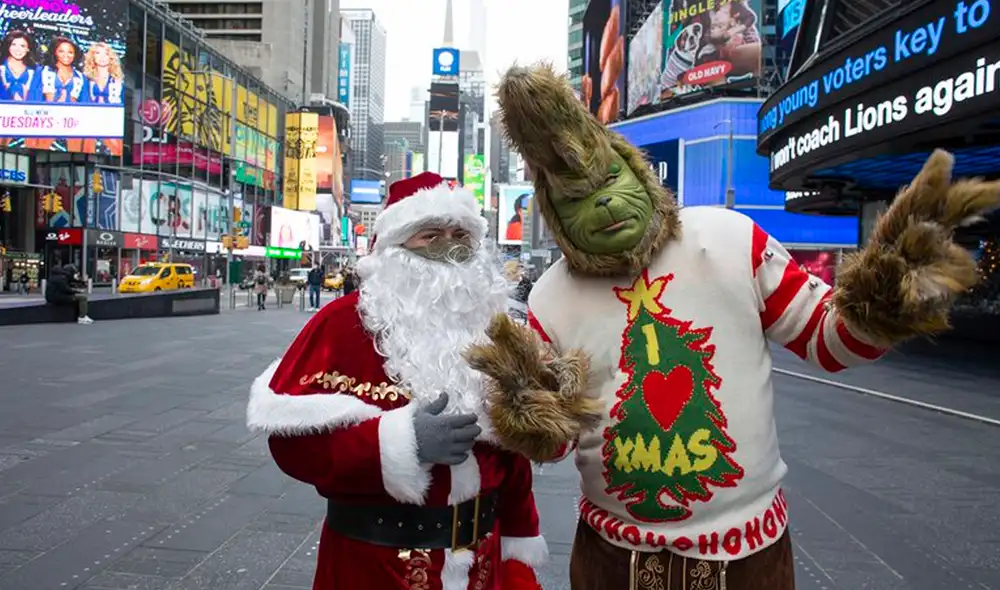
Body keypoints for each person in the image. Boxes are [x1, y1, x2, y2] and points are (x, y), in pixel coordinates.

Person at [465, 64, 1000, 590]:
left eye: (608, 180)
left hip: (746, 556)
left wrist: (883, 298)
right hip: (612, 557)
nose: (602, 202)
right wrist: (529, 412)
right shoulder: (548, 297)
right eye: (576, 198)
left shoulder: (730, 239)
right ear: (555, 215)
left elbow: (828, 342)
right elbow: (555, 444)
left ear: (636, 171)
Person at [247, 172, 548, 590]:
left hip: (484, 564)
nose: (450, 244)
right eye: (429, 234)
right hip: (374, 567)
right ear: (394, 247)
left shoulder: (495, 330)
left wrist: (519, 559)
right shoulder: (341, 325)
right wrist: (399, 443)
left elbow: (513, 461)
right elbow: (292, 446)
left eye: (460, 232)